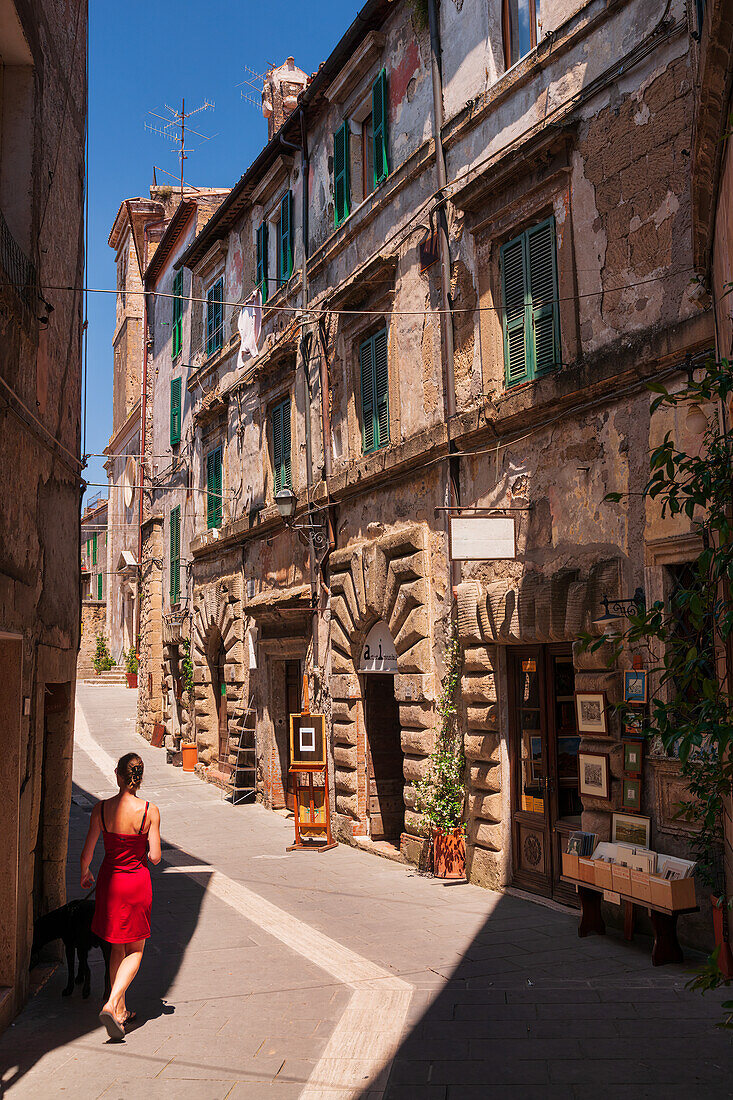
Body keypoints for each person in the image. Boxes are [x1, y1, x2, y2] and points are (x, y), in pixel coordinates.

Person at [80, 752, 161, 1040]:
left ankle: (120, 1012)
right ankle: (112, 1003)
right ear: (139, 778)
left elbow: (87, 851)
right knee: (136, 950)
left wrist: (85, 872)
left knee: (116, 947)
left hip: (109, 883)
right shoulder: (149, 810)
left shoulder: (101, 810)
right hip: (136, 884)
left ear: (117, 775)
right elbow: (154, 856)